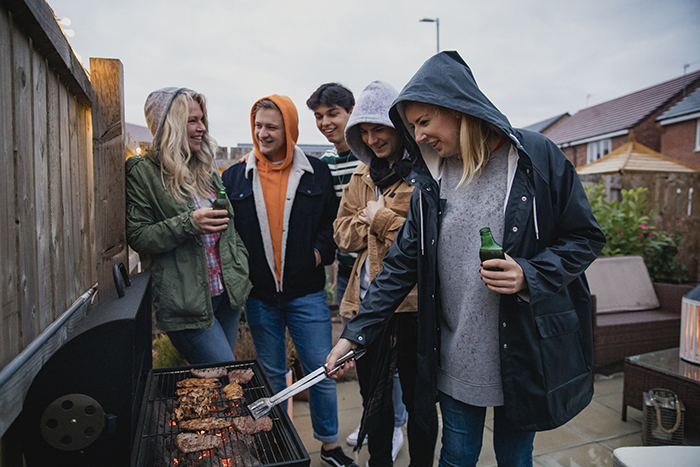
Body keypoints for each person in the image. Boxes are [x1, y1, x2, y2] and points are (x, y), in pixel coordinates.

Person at [327, 51, 606, 467]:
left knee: (515, 457)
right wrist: (356, 335)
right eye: (412, 126)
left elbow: (585, 237)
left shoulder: (534, 159)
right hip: (456, 353)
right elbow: (400, 264)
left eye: (423, 122)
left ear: (457, 108)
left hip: (523, 353)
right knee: (456, 456)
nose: (417, 137)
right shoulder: (432, 177)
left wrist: (530, 274)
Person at [221, 95, 356, 467]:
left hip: (307, 294)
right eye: (257, 126)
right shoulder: (234, 177)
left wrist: (313, 256)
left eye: (271, 127)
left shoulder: (316, 172)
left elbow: (332, 229)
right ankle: (279, 445)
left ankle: (330, 446)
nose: (262, 133)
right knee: (272, 377)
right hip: (260, 297)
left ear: (289, 130)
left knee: (321, 370)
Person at [336, 80, 437, 466]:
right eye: (364, 131)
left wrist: (381, 219)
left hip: (411, 307)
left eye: (379, 128)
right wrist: (374, 225)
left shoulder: (425, 174)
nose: (372, 138)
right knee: (372, 399)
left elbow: (426, 244)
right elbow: (340, 233)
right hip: (364, 305)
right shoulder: (361, 176)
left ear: (398, 126)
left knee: (419, 400)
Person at [125, 87, 251, 365]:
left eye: (203, 120)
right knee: (227, 374)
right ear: (168, 124)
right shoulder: (143, 172)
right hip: (187, 304)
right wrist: (188, 223)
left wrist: (240, 266)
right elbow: (139, 236)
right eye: (192, 121)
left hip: (225, 295)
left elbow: (228, 229)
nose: (202, 128)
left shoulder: (205, 168)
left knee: (217, 385)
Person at [306, 83, 360, 309]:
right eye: (319, 116)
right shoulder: (325, 164)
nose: (325, 123)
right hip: (346, 272)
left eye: (332, 114)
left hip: (379, 270)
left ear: (352, 111)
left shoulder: (371, 159)